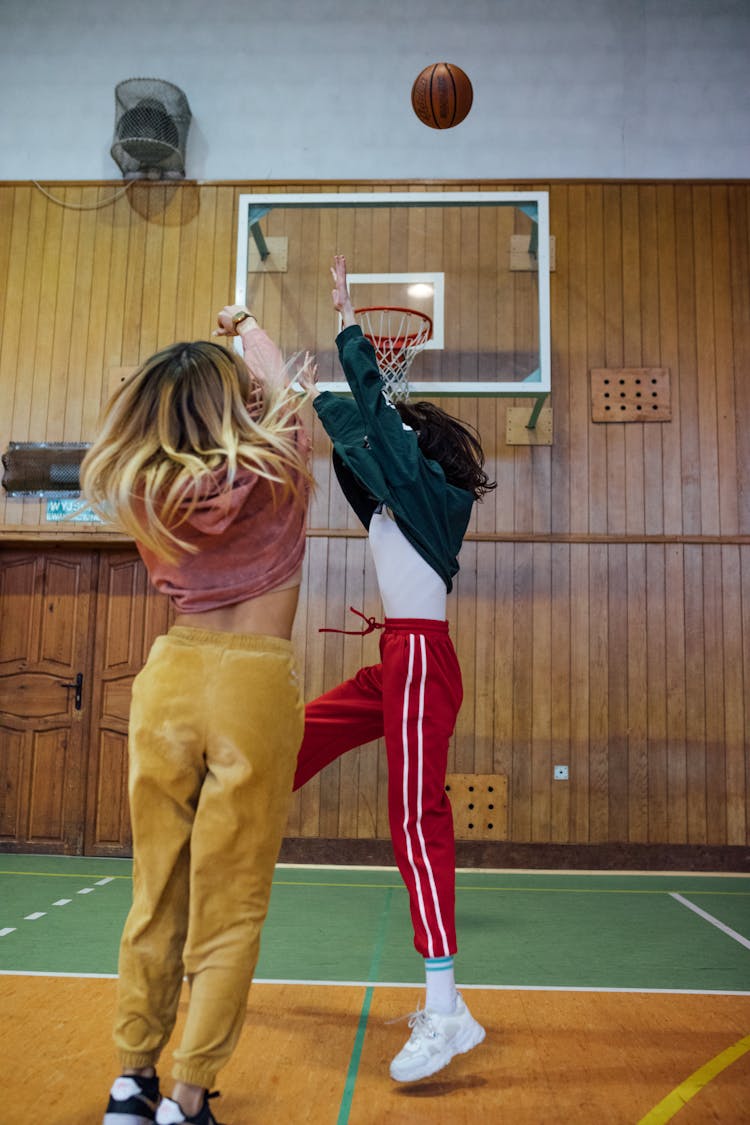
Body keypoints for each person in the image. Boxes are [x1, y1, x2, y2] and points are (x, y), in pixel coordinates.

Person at [82, 308, 313, 1125]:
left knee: (156, 891)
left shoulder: (143, 485)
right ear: (234, 403)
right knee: (232, 899)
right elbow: (283, 382)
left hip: (170, 677)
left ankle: (129, 1083)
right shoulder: (281, 458)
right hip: (253, 685)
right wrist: (245, 324)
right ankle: (188, 1094)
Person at [294, 255, 495, 1083]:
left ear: (422, 452)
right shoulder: (400, 500)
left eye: (400, 439)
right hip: (401, 662)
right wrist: (280, 371)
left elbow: (371, 417)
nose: (389, 445)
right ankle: (229, 800)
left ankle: (445, 1006)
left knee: (417, 818)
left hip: (418, 661)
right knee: (295, 735)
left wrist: (346, 320)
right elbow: (355, 436)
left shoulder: (428, 491)